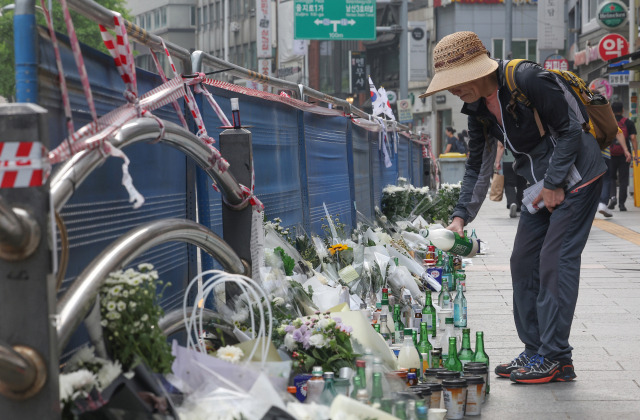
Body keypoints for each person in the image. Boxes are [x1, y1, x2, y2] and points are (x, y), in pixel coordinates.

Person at [419, 31, 606, 384]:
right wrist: (460, 217)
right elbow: (477, 166)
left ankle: (553, 355)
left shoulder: (526, 77)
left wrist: (553, 185)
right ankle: (539, 351)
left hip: (578, 176)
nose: (453, 91)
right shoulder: (477, 109)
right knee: (521, 260)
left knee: (555, 260)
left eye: (456, 82)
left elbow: (570, 130)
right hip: (539, 187)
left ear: (477, 70)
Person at [607, 102, 636, 211]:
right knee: (624, 180)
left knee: (611, 178)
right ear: (623, 110)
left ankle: (613, 197)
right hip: (625, 155)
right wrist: (635, 154)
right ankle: (622, 204)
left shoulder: (609, 122)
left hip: (611, 154)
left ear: (611, 110)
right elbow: (633, 138)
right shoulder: (628, 122)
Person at [597, 128, 629, 218]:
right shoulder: (605, 115)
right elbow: (617, 132)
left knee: (588, 181)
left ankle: (586, 208)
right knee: (606, 179)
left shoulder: (584, 115)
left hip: (586, 154)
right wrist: (626, 150)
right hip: (603, 153)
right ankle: (602, 203)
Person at [495, 142, 527, 218]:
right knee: (522, 184)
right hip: (523, 160)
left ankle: (512, 202)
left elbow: (501, 146)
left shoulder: (503, 130)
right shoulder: (525, 129)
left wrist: (497, 161)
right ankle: (519, 205)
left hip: (508, 161)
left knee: (509, 184)